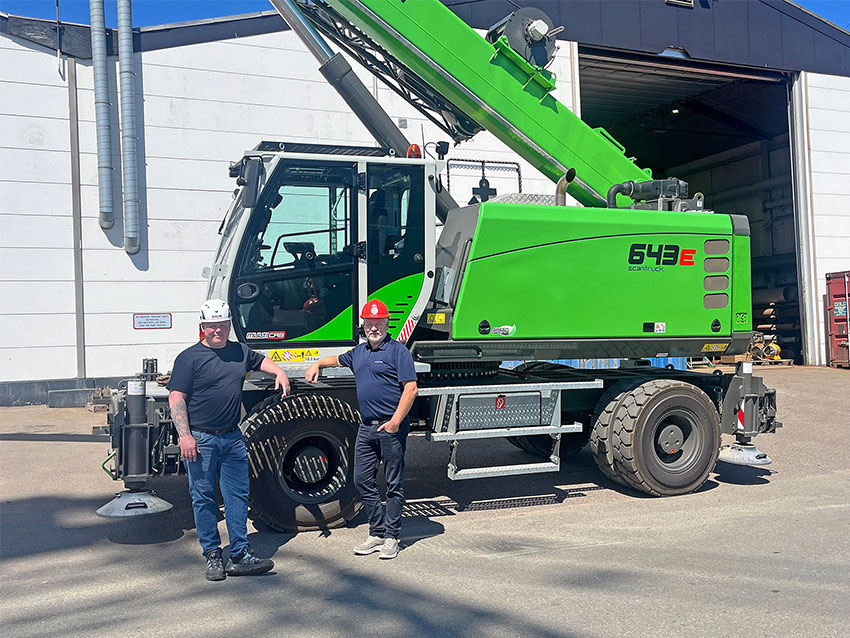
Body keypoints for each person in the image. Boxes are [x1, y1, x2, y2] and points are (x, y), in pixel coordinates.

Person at [167, 299, 291, 581]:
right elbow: (177, 397)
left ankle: (239, 553)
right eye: (212, 326)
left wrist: (280, 372)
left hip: (233, 438)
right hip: (200, 440)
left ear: (229, 325)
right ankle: (212, 555)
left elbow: (261, 360)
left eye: (222, 325)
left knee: (237, 496)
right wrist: (185, 436)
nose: (217, 330)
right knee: (204, 498)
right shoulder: (189, 358)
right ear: (203, 327)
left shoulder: (239, 351)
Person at [305, 299, 418, 559]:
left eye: (378, 323)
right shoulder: (359, 352)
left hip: (391, 427)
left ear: (387, 323)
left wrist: (395, 423)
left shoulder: (398, 351)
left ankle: (392, 537)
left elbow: (411, 389)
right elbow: (337, 359)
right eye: (369, 323)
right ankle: (377, 532)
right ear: (364, 325)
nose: (373, 327)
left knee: (393, 483)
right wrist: (317, 364)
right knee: (361, 481)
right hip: (366, 428)